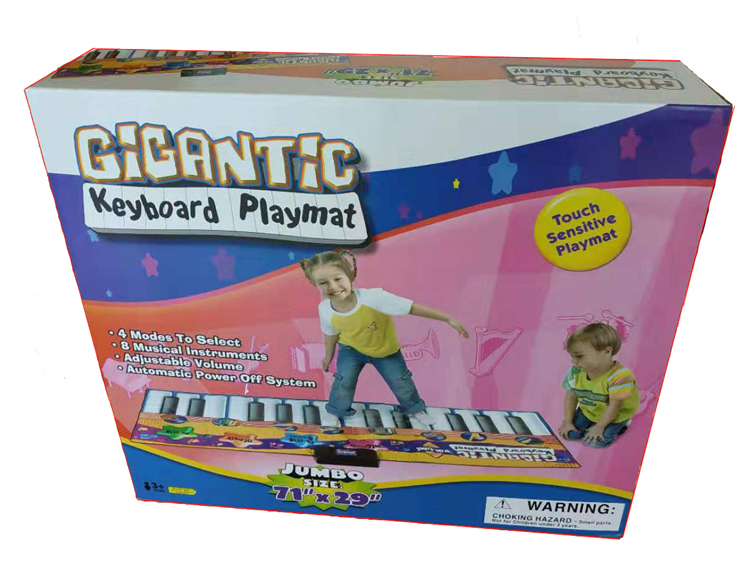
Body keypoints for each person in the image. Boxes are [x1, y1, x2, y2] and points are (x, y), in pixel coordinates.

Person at [301, 250, 468, 426]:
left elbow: (411, 308)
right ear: (315, 284)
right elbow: (330, 334)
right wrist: (328, 357)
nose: (333, 287)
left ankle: (415, 409)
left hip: (386, 350)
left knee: (401, 381)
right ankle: (336, 410)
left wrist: (447, 318)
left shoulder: (374, 298)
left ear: (350, 275)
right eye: (323, 283)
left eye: (337, 279)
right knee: (344, 380)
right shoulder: (325, 309)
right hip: (351, 350)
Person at [558, 322, 639, 448]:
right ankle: (592, 423)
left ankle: (622, 423)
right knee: (571, 434)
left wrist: (599, 427)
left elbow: (615, 406)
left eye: (579, 356)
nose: (574, 361)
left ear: (607, 351)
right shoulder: (576, 371)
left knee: (593, 442)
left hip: (615, 415)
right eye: (572, 356)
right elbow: (571, 396)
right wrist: (568, 421)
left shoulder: (620, 376)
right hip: (589, 411)